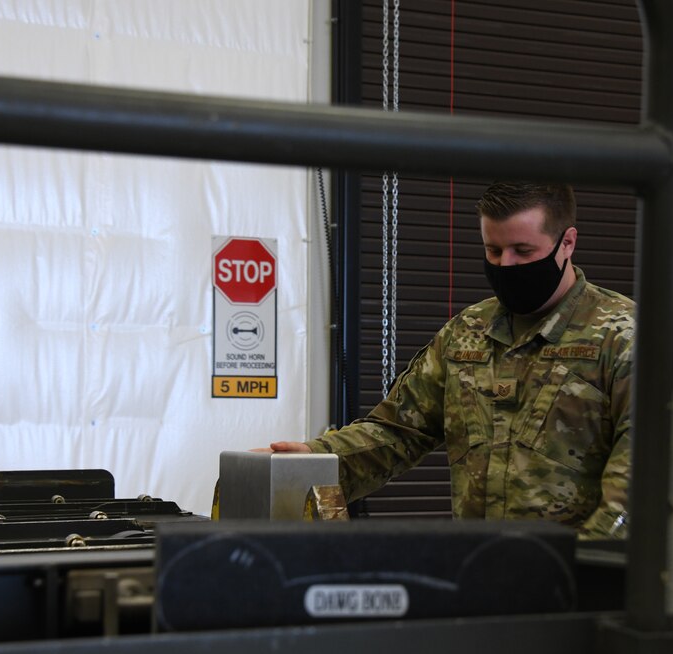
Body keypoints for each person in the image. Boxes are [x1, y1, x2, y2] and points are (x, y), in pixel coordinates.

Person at [268, 182, 634, 539]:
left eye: (523, 251)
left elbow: (638, 483)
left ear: (567, 242)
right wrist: (314, 458)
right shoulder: (467, 332)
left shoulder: (621, 336)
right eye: (493, 250)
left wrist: (580, 572)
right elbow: (397, 432)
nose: (506, 265)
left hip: (579, 584)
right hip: (477, 572)